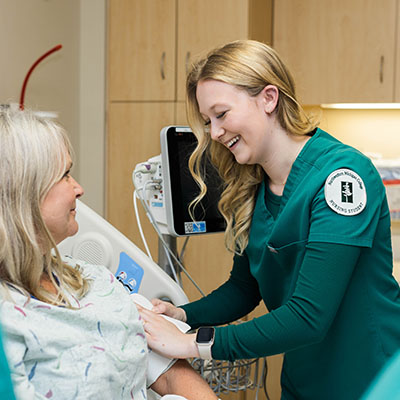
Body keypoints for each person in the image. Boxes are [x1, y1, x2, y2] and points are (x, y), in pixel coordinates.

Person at [138, 40, 400, 400]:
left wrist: (192, 344)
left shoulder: (342, 177)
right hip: (303, 382)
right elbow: (244, 289)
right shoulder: (254, 184)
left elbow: (308, 317)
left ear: (268, 99)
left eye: (222, 114)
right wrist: (182, 316)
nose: (214, 133)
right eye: (207, 121)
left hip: (367, 380)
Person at [0, 104, 217, 400]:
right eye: (64, 175)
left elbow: (169, 374)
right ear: (23, 194)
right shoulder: (9, 318)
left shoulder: (93, 280)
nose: (78, 189)